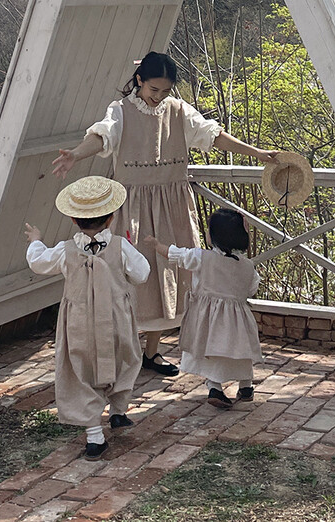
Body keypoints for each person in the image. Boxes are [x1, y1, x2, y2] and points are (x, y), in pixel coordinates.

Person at [51, 51, 276, 376]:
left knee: (168, 279)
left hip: (172, 207)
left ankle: (151, 352)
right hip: (133, 208)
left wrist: (257, 153)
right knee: (128, 278)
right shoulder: (121, 110)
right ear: (139, 80)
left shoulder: (179, 111)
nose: (158, 96)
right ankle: (121, 354)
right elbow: (101, 137)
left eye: (165, 91)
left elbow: (213, 136)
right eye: (153, 89)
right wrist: (75, 154)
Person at [24, 175, 150, 460]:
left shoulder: (65, 250)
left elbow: (38, 262)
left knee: (81, 371)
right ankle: (118, 412)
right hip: (117, 319)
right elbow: (142, 273)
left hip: (78, 322)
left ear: (73, 219)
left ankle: (95, 437)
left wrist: (36, 241)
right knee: (124, 359)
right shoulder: (120, 246)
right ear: (111, 217)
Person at [146, 207, 262, 408]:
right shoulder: (247, 265)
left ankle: (215, 386)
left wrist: (156, 245)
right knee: (240, 352)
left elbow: (176, 255)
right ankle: (246, 386)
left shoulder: (202, 257)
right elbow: (251, 288)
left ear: (216, 236)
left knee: (211, 351)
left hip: (208, 318)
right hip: (238, 321)